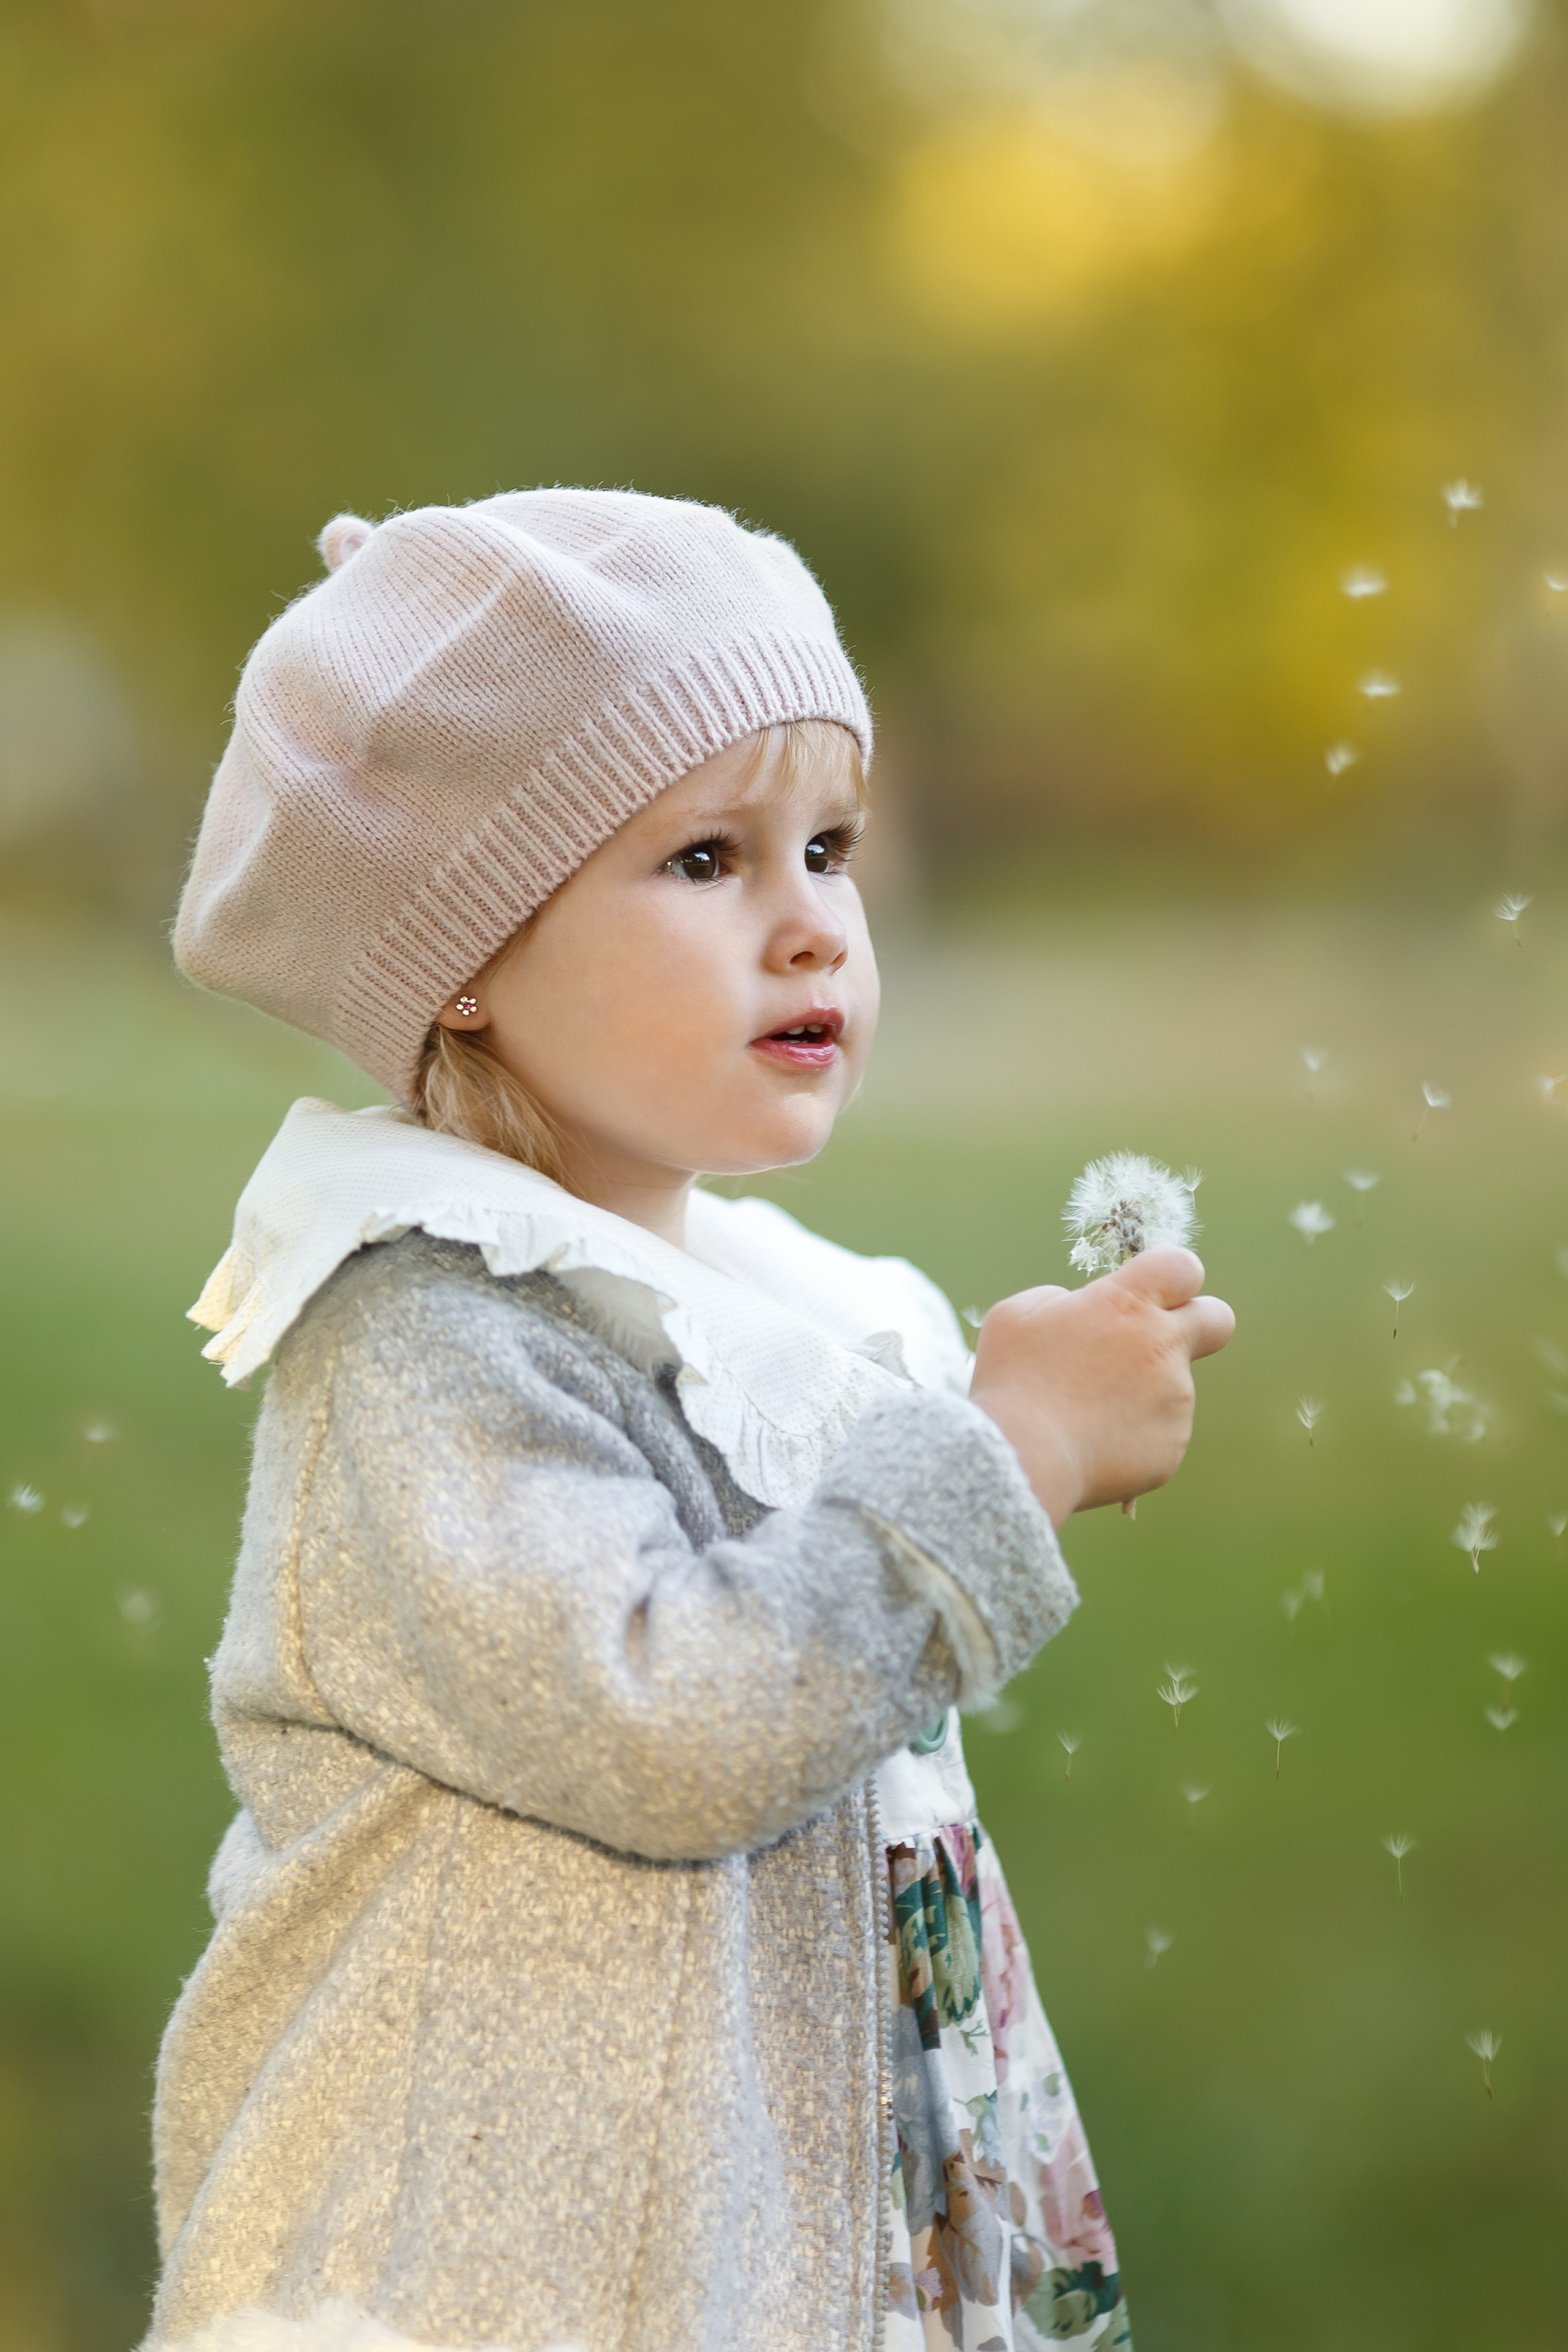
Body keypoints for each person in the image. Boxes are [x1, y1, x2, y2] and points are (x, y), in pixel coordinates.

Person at [150, 489, 1234, 2352]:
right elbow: (678, 1727)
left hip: (753, 2249)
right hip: (493, 2287)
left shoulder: (776, 1321)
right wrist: (1017, 1458)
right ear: (466, 958)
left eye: (829, 847)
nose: (812, 926)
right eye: (709, 860)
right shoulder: (425, 1342)